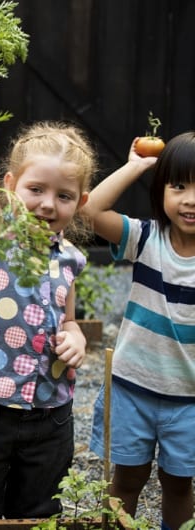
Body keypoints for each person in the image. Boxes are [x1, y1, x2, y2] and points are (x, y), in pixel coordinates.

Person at [0, 119, 96, 519]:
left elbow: (69, 320)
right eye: (36, 189)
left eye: (63, 195)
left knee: (38, 511)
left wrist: (76, 338)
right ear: (9, 185)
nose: (48, 204)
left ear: (80, 202)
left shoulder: (70, 260)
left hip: (51, 416)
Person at [85, 132, 194, 530]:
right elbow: (90, 211)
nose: (190, 200)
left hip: (188, 399)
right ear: (161, 188)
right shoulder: (146, 239)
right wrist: (135, 166)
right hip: (132, 387)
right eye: (179, 185)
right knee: (127, 479)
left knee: (179, 484)